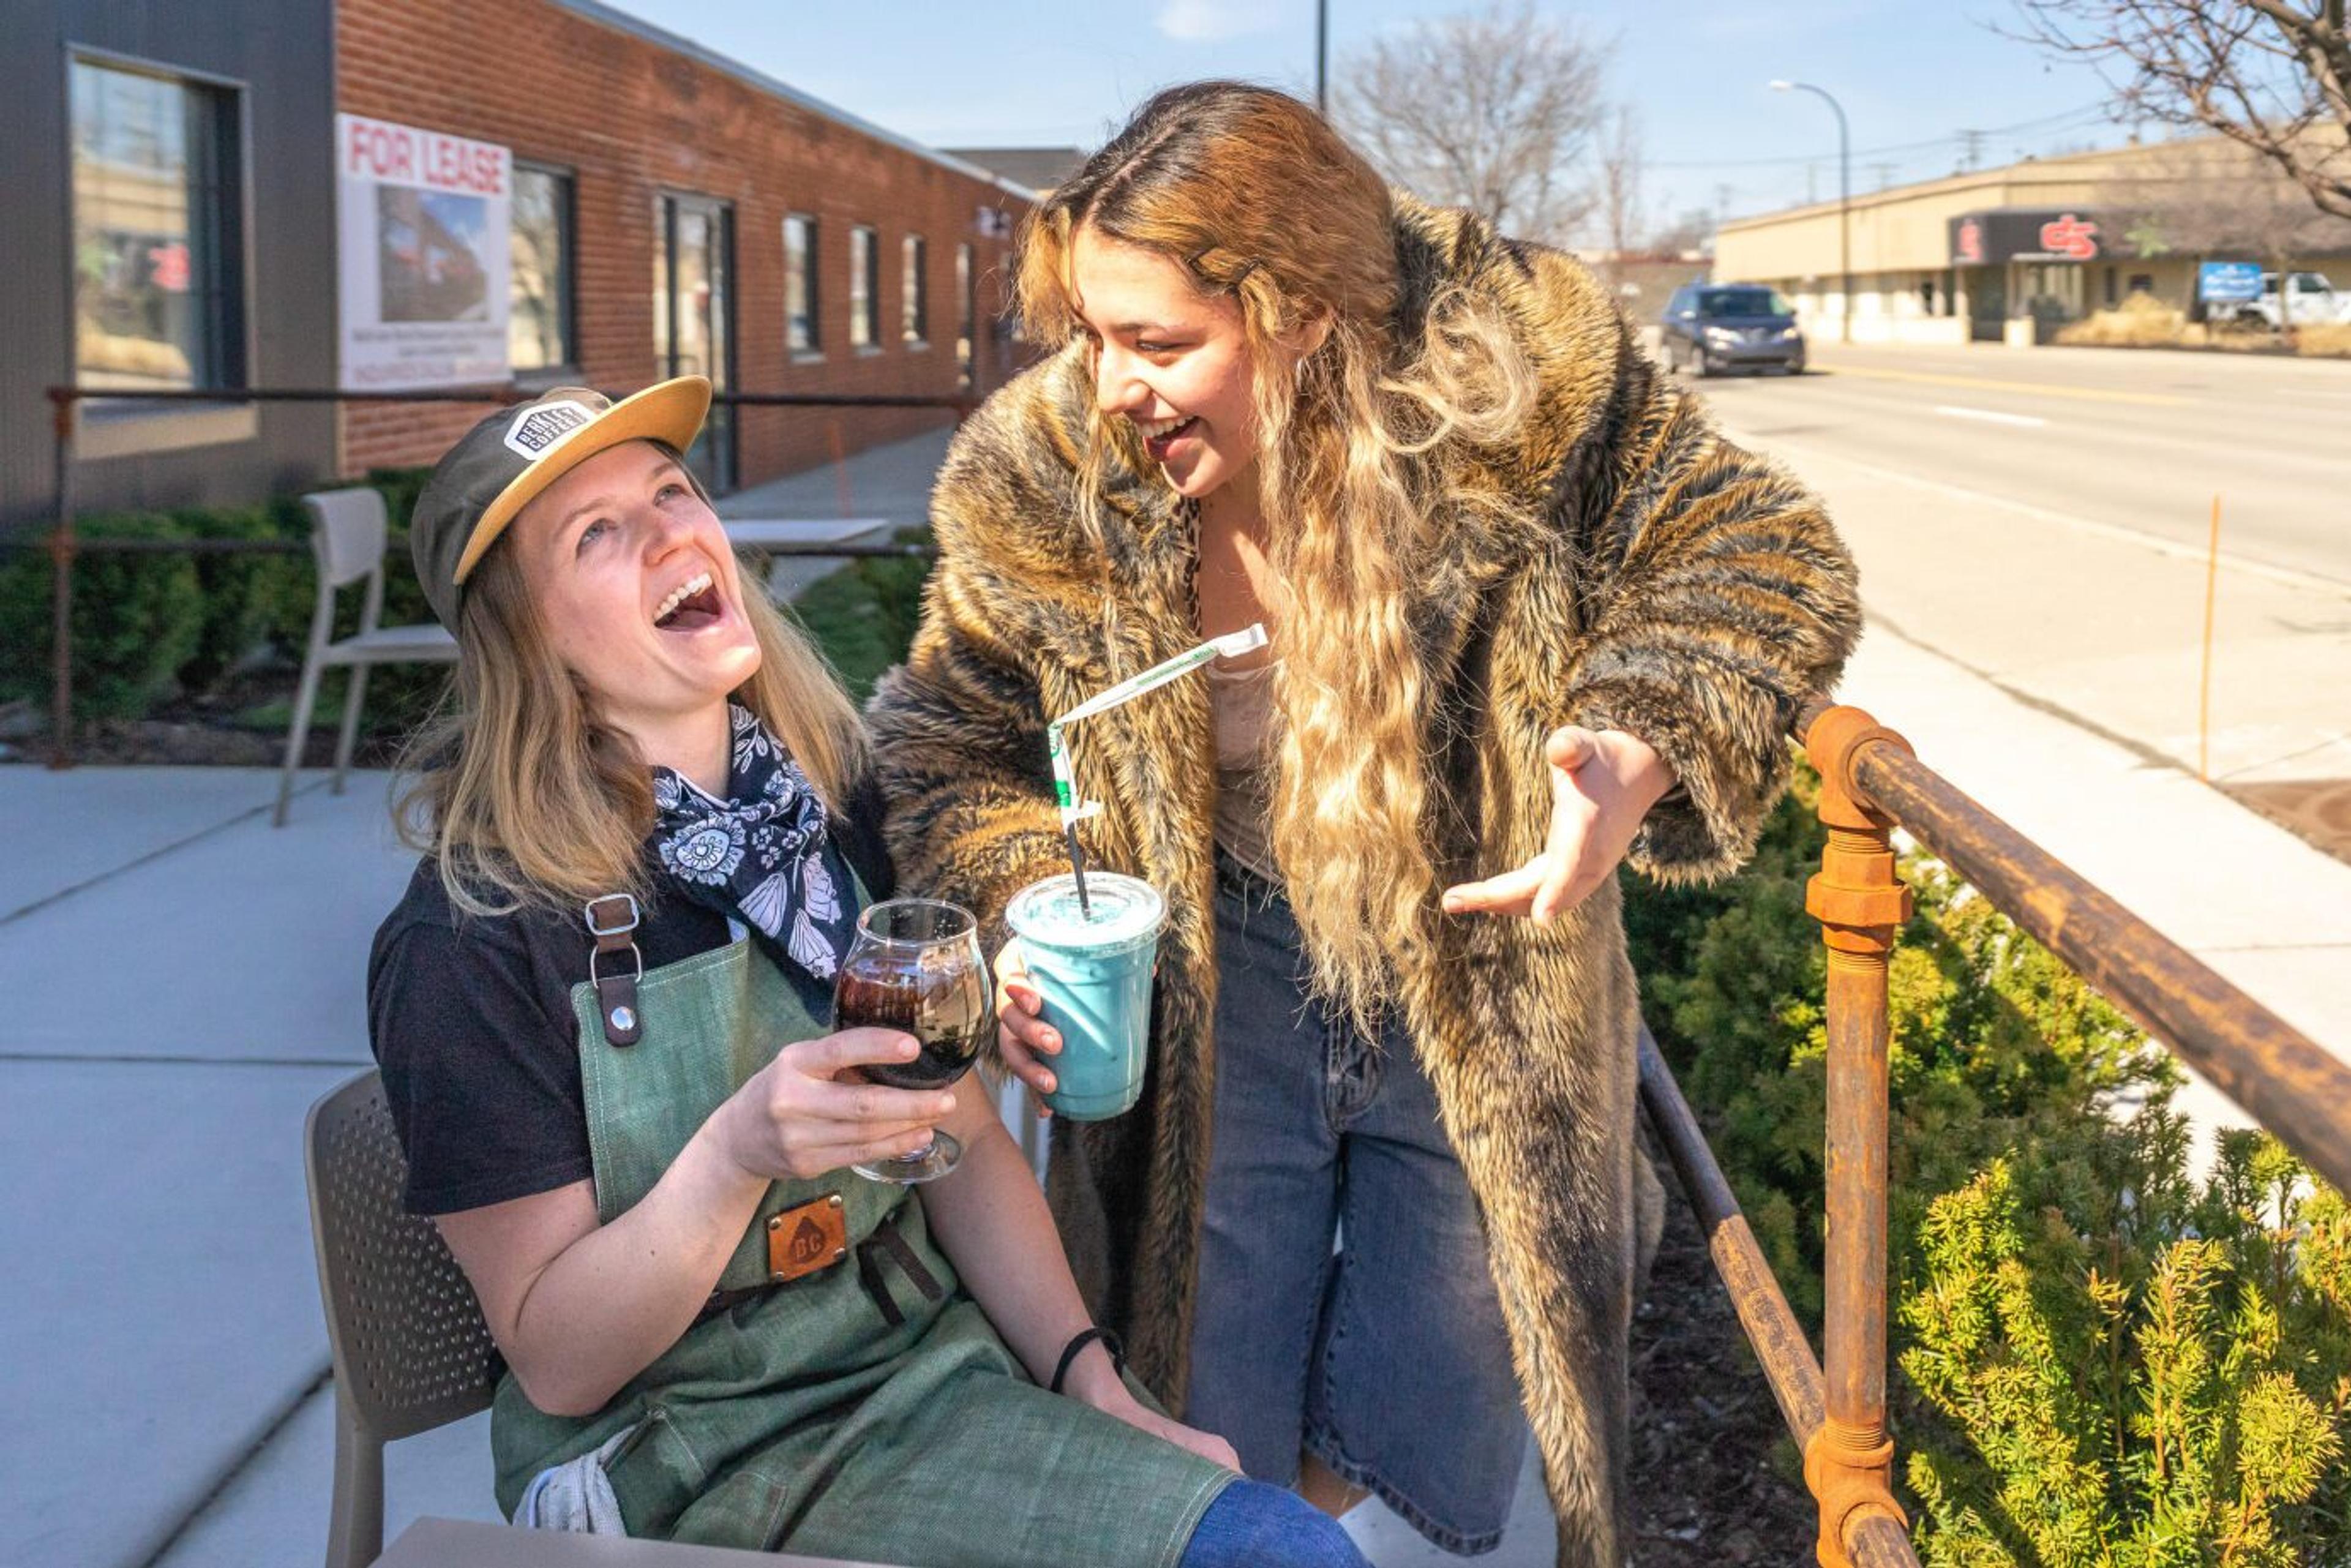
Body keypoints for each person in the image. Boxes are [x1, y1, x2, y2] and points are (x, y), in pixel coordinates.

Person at [864, 83, 1861, 1564]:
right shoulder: (1051, 474)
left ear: (1304, 315)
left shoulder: (1525, 387)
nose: (1109, 384)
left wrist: (1642, 737)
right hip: (1213, 977)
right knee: (1206, 1377)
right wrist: (1025, 904)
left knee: (1450, 1375)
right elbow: (948, 747)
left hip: (1474, 947)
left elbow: (1762, 550)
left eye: (1159, 342)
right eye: (1091, 334)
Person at [366, 375, 1372, 1567]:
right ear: (526, 636)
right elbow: (561, 1360)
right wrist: (739, 1156)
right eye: (597, 534)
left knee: (1281, 1547)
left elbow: (964, 1143)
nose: (672, 531)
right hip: (681, 1463)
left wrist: (1091, 1379)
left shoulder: (828, 813)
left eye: (673, 492)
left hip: (924, 1381)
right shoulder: (475, 937)